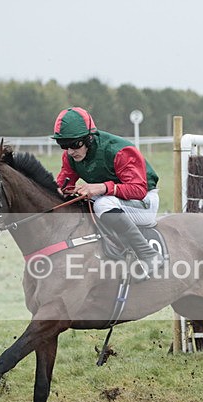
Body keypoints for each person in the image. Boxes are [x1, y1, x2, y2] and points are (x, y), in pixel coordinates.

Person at [52, 106, 164, 281]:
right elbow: (62, 186)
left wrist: (102, 188)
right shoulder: (70, 157)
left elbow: (139, 190)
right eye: (64, 145)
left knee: (102, 204)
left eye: (75, 144)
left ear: (89, 138)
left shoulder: (119, 150)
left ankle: (148, 254)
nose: (71, 151)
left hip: (144, 202)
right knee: (80, 203)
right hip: (114, 201)